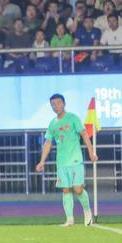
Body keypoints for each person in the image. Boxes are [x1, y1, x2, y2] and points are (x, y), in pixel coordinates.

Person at [35, 94, 97, 226]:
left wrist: (91, 152)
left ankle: (87, 212)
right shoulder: (52, 124)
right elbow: (48, 143)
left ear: (64, 104)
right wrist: (42, 161)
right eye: (53, 104)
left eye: (58, 103)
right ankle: (69, 219)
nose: (55, 106)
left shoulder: (73, 118)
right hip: (61, 163)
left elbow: (84, 135)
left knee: (78, 189)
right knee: (66, 190)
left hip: (75, 160)